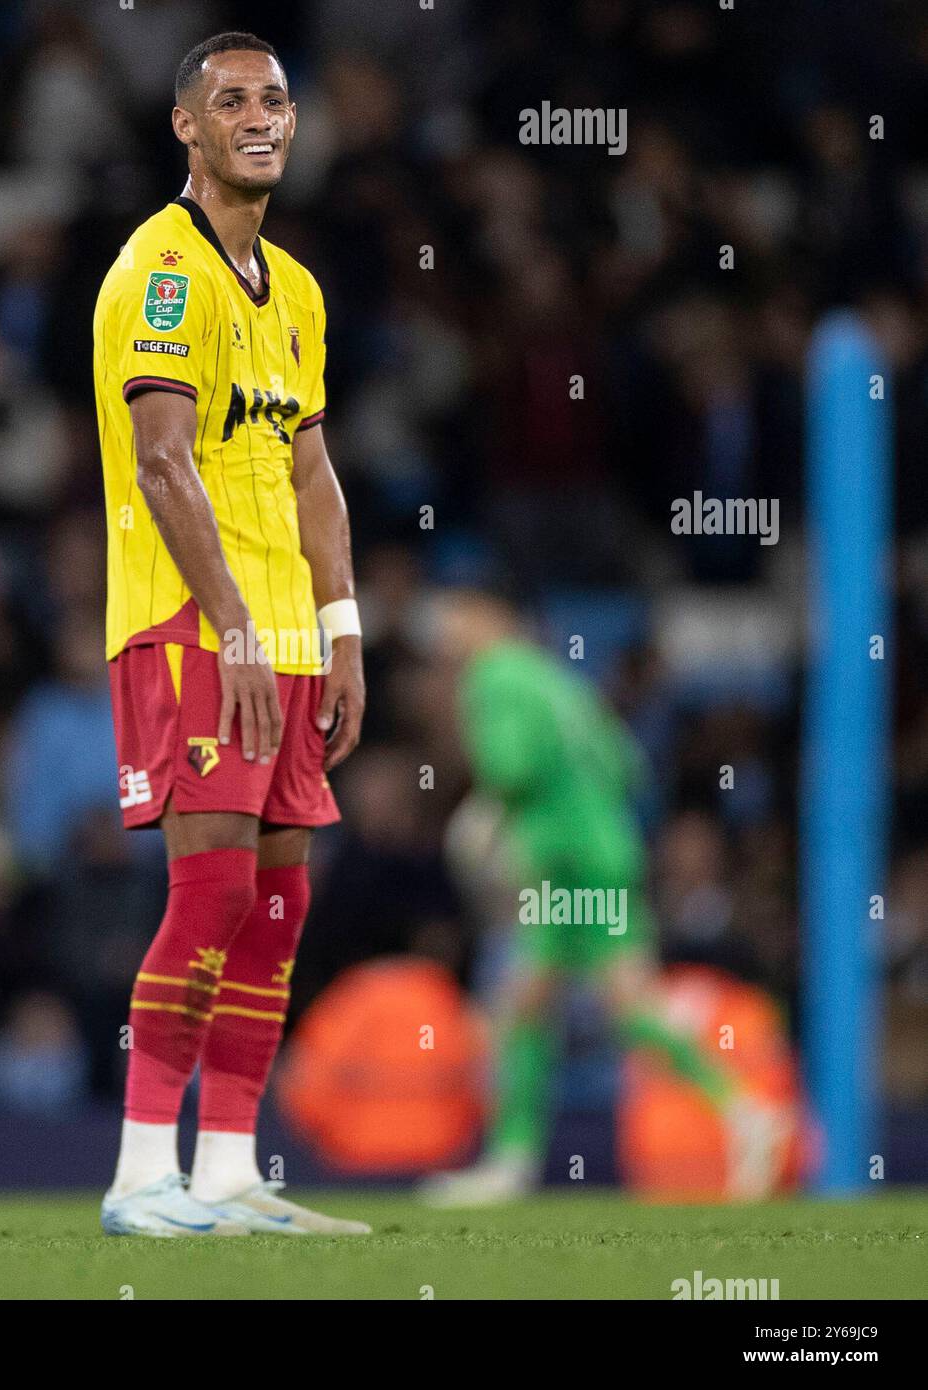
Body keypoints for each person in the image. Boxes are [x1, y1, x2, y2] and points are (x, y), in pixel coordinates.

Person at [92, 32, 368, 1236]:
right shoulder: (162, 271)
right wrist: (240, 630)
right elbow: (162, 464)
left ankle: (227, 1175)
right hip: (192, 622)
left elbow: (311, 470)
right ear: (186, 129)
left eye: (275, 98)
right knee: (207, 895)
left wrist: (341, 627)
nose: (259, 115)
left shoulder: (295, 290)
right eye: (230, 101)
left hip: (286, 633)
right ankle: (140, 1175)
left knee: (275, 908)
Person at [419, 591, 785, 1205]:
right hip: (607, 850)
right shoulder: (561, 681)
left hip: (562, 863)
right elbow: (629, 766)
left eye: (457, 621)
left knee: (544, 1003)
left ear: (489, 620)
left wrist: (487, 813)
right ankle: (746, 1112)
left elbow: (510, 768)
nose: (448, 637)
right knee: (583, 1004)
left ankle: (513, 1160)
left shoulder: (495, 677)